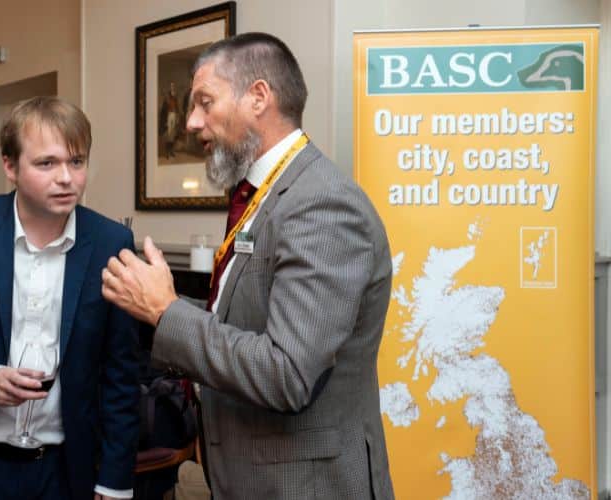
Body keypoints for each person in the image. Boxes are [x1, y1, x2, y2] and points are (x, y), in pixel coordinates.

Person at [102, 33, 395, 499]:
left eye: (205, 102)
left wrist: (167, 312)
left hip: (303, 485)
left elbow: (288, 374)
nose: (192, 122)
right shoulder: (267, 194)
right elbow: (249, 315)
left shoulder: (321, 203)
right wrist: (153, 306)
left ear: (259, 97)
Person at [0, 96, 139, 500]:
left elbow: (121, 372)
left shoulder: (112, 243)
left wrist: (115, 480)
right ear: (10, 167)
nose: (66, 178)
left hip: (66, 469)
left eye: (76, 162)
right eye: (47, 163)